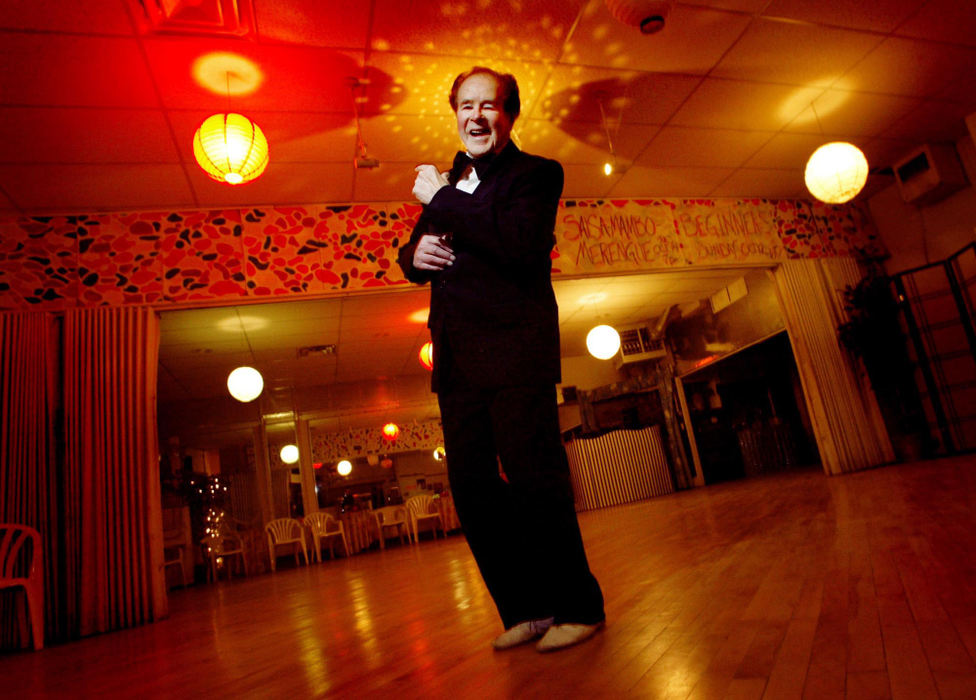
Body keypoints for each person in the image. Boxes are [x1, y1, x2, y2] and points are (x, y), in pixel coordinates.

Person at [396, 66, 605, 653]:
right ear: (455, 113)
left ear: (509, 116)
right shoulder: (451, 180)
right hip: (457, 357)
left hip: (515, 349)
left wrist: (440, 199)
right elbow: (410, 252)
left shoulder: (536, 175)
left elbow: (519, 245)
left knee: (536, 480)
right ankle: (527, 608)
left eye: (489, 106)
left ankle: (578, 606)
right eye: (465, 105)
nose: (476, 116)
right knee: (472, 487)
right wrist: (418, 252)